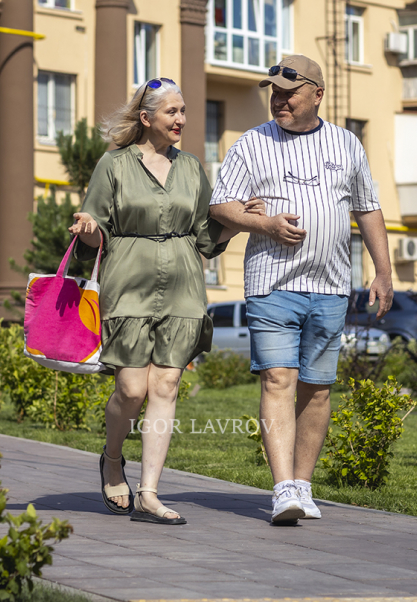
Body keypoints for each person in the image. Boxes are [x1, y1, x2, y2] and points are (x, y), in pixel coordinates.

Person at [208, 54, 394, 524]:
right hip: (271, 284)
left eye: (288, 92)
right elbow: (220, 206)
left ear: (317, 93)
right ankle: (283, 488)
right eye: (273, 92)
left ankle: (304, 485)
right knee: (278, 379)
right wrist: (264, 223)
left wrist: (383, 272)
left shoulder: (347, 144)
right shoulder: (251, 144)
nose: (279, 100)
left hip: (332, 286)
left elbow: (368, 209)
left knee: (318, 388)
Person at [69, 78, 258, 525]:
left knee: (166, 386)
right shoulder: (112, 165)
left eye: (184, 110)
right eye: (172, 111)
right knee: (131, 389)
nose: (181, 120)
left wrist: (242, 220)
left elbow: (205, 237)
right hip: (128, 283)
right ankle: (112, 459)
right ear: (146, 117)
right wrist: (89, 230)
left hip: (183, 286)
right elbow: (93, 223)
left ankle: (149, 492)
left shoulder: (191, 168)